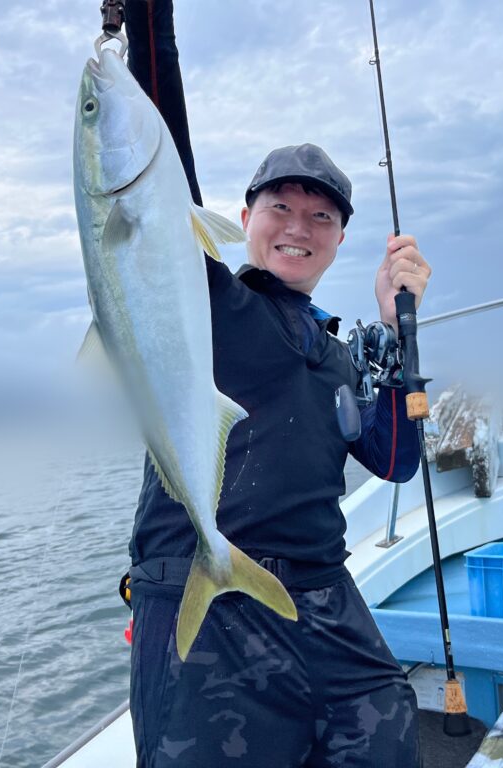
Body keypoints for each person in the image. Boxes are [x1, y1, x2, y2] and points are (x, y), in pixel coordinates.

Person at [122, 4, 431, 766]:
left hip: (322, 599)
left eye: (321, 215)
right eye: (281, 207)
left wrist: (399, 332)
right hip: (206, 593)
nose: (299, 225)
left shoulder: (335, 353)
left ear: (340, 239)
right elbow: (153, 167)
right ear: (241, 218)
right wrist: (149, 20)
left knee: (390, 731)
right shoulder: (209, 304)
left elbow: (396, 458)